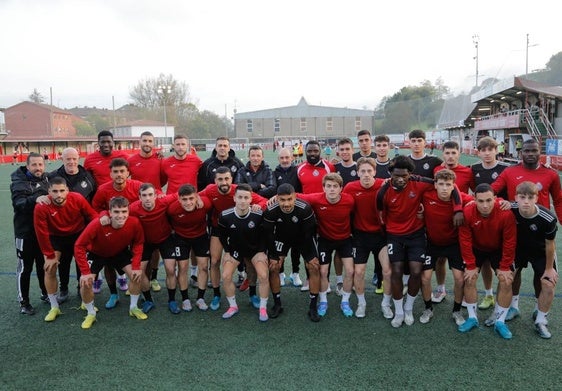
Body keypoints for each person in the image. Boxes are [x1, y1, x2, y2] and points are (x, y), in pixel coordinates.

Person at [377, 155, 462, 328]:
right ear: (390, 174)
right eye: (396, 176)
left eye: (404, 176)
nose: (400, 179)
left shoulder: (420, 182)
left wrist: (458, 208)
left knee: (416, 271)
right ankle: (399, 312)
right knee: (397, 271)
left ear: (410, 174)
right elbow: (381, 217)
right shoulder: (383, 191)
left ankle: (408, 308)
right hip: (394, 235)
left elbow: (449, 185)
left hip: (416, 235)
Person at [199, 167, 267, 311]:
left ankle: (253, 294)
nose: (224, 182)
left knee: (249, 262)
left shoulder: (239, 191)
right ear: (215, 180)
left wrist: (258, 206)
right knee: (215, 260)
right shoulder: (210, 190)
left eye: (226, 179)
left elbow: (264, 201)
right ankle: (217, 294)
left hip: (243, 229)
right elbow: (194, 195)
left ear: (231, 179)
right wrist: (198, 200)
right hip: (220, 228)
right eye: (220, 179)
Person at [74, 196, 147, 329]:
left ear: (128, 211)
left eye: (124, 211)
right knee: (85, 282)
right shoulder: (97, 223)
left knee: (136, 275)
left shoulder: (134, 223)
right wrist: (85, 272)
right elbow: (79, 245)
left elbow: (138, 243)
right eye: (117, 212)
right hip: (97, 253)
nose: (121, 215)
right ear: (110, 212)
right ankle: (90, 313)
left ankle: (133, 307)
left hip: (119, 252)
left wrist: (136, 266)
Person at [33, 177, 98, 321]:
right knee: (49, 269)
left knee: (85, 269)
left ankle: (86, 303)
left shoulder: (77, 198)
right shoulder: (42, 206)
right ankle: (54, 306)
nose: (59, 195)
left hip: (78, 235)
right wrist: (50, 256)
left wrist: (97, 232)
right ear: (49, 191)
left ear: (67, 190)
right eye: (55, 191)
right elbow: (41, 233)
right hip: (56, 238)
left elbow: (92, 216)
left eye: (62, 190)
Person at [458, 184, 517, 339]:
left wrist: (504, 266)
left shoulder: (505, 213)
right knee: (469, 278)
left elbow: (509, 242)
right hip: (477, 248)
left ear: (495, 199)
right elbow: (465, 240)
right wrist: (470, 266)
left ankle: (500, 321)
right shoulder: (468, 212)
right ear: (474, 200)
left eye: (489, 200)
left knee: (506, 280)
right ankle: (472, 318)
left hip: (497, 249)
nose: (485, 205)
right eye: (481, 201)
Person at [298, 173, 355, 318]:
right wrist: (274, 197)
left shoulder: (349, 200)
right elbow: (295, 195)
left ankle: (345, 301)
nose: (332, 189)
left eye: (335, 186)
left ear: (341, 188)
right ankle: (323, 301)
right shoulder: (316, 199)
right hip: (325, 240)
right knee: (322, 272)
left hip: (345, 240)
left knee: (350, 271)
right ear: (323, 188)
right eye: (328, 186)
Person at [420, 170, 472, 326]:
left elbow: (482, 202)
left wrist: (504, 203)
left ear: (453, 186)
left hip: (453, 244)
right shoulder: (427, 195)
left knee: (459, 278)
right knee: (425, 278)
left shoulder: (463, 198)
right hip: (431, 243)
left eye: (448, 185)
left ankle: (456, 311)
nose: (444, 188)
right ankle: (428, 308)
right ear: (435, 184)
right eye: (440, 184)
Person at [263, 184, 321, 321]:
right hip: (281, 238)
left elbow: (309, 234)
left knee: (314, 266)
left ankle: (313, 306)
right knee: (274, 267)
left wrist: (309, 257)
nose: (286, 203)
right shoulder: (271, 210)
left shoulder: (305, 208)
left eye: (289, 199)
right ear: (277, 198)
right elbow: (269, 235)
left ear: (295, 197)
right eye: (282, 200)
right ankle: (277, 304)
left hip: (302, 238)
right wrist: (274, 256)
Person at [91, 158, 143, 306]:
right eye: (115, 172)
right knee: (109, 262)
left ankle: (143, 288)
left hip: (132, 232)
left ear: (128, 173)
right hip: (112, 232)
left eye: (122, 171)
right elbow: (94, 208)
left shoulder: (137, 186)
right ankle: (114, 293)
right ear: (110, 174)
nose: (119, 174)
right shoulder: (103, 189)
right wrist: (103, 215)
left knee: (135, 260)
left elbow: (155, 194)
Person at [509, 182, 558, 338]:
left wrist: (549, 269)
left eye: (530, 197)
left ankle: (541, 320)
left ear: (536, 198)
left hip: (541, 252)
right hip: (519, 249)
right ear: (516, 197)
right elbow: (492, 201)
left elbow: (550, 244)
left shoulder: (548, 218)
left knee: (548, 283)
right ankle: (513, 307)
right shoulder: (509, 208)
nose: (526, 201)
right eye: (522, 197)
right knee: (509, 277)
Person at [84, 130, 130, 292]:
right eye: (102, 142)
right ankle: (99, 278)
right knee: (104, 244)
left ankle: (122, 276)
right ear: (98, 143)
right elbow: (86, 181)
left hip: (121, 207)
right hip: (101, 206)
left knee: (122, 243)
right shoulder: (90, 160)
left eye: (108, 141)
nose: (105, 145)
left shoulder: (123, 156)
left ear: (113, 142)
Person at [343, 158, 388, 318]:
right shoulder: (350, 187)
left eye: (370, 171)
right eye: (363, 171)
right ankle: (361, 304)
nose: (366, 174)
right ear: (357, 172)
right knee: (359, 272)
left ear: (375, 172)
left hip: (381, 236)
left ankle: (386, 304)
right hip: (360, 237)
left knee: (387, 271)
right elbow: (343, 208)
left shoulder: (384, 184)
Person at [218, 184, 270, 322]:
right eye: (239, 197)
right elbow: (222, 236)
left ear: (250, 199)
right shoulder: (225, 216)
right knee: (226, 275)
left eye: (246, 197)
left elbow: (265, 235)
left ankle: (262, 308)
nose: (242, 200)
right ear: (234, 198)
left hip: (254, 250)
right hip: (235, 250)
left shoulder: (258, 214)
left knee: (263, 275)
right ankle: (233, 306)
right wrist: (227, 251)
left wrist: (261, 251)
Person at [431, 140, 474, 303]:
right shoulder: (437, 170)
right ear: (443, 154)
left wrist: (460, 209)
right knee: (440, 260)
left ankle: (462, 294)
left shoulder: (467, 172)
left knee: (462, 259)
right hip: (441, 219)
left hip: (460, 221)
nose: (450, 156)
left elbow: (475, 194)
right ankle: (441, 289)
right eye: (447, 153)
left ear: (459, 153)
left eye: (453, 153)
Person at [471, 136, 510, 311]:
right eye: (483, 150)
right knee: (485, 260)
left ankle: (505, 303)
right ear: (478, 152)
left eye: (490, 149)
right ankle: (488, 295)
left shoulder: (506, 169)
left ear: (496, 150)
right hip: (481, 219)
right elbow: (473, 191)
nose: (487, 153)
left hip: (502, 221)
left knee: (504, 265)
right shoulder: (474, 169)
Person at [128, 183, 177, 313]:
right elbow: (117, 214)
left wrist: (198, 197)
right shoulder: (133, 208)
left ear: (156, 195)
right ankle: (149, 300)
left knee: (171, 269)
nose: (148, 198)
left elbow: (183, 194)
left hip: (165, 239)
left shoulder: (164, 201)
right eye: (144, 195)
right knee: (140, 271)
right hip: (144, 242)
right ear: (139, 197)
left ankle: (172, 300)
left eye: (150, 195)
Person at [11, 152, 49, 315]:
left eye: (40, 164)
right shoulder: (19, 182)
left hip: (41, 233)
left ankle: (45, 293)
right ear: (27, 166)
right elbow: (19, 204)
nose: (38, 168)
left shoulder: (46, 179)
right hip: (25, 233)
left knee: (42, 266)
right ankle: (24, 302)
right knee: (25, 268)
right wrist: (36, 198)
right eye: (34, 165)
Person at [492, 138, 562, 223]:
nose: (531, 154)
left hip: (541, 223)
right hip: (515, 221)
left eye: (534, 151)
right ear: (521, 153)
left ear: (540, 153)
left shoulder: (551, 174)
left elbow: (559, 200)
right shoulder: (509, 171)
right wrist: (501, 201)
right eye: (527, 151)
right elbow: (492, 190)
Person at [166, 184, 213, 312]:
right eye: (185, 199)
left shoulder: (205, 204)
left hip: (201, 237)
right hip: (181, 238)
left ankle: (200, 298)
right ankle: (185, 299)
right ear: (179, 199)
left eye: (191, 198)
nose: (188, 202)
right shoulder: (172, 209)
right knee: (182, 268)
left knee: (203, 266)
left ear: (196, 197)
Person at [128, 132, 164, 292]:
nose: (147, 143)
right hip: (136, 207)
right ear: (139, 142)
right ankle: (136, 279)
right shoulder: (131, 160)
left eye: (150, 140)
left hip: (154, 207)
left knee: (155, 246)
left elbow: (163, 180)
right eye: (144, 140)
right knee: (135, 244)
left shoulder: (159, 159)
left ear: (153, 142)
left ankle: (154, 277)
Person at [273, 148, 303, 288]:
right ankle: (281, 273)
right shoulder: (275, 172)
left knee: (296, 246)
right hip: (280, 213)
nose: (285, 160)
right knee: (281, 246)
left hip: (296, 211)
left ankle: (295, 273)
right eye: (282, 158)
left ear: (292, 158)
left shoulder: (297, 171)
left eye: (287, 157)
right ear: (279, 159)